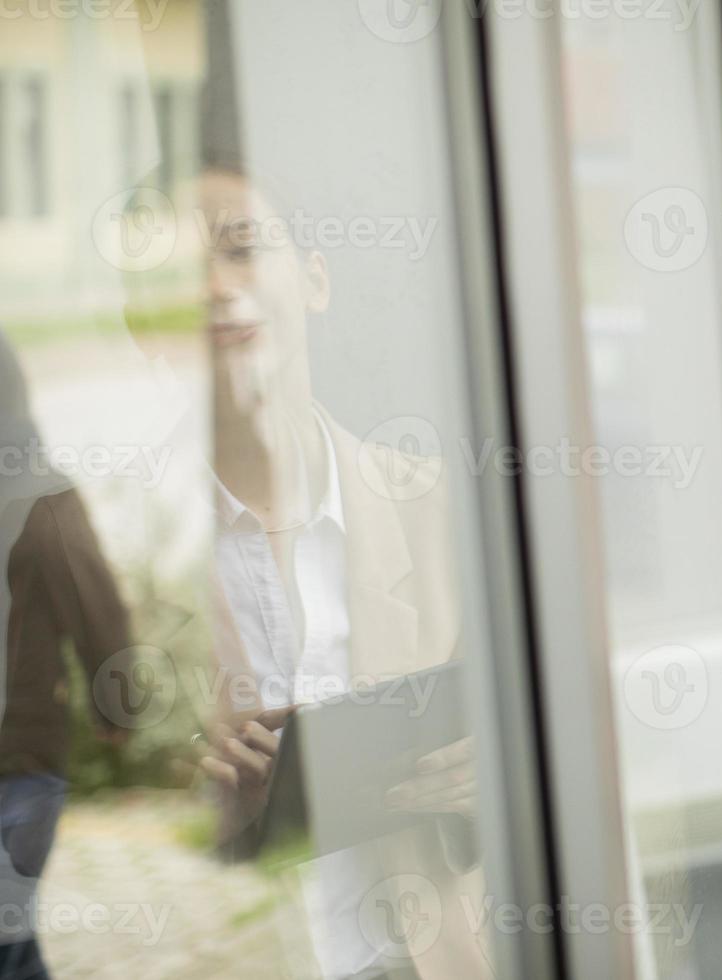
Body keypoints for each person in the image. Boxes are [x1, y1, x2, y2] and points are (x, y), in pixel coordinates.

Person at [121, 159, 485, 979]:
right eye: (179, 272)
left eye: (242, 248)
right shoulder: (118, 558)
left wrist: (494, 768)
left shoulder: (440, 513)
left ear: (315, 280)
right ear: (143, 324)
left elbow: (564, 748)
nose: (216, 286)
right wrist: (197, 817)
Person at [0, 332, 134, 980]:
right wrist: (120, 709)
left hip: (16, 763)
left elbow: (95, 610)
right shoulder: (41, 490)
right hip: (23, 760)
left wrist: (118, 702)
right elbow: (98, 608)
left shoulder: (40, 494)